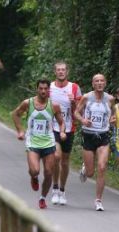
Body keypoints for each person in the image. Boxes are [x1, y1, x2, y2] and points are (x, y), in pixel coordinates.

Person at [12, 79, 66, 209]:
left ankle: (42, 198)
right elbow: (15, 114)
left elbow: (61, 122)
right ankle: (34, 177)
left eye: (45, 89)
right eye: (40, 88)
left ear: (49, 90)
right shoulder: (28, 103)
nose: (43, 91)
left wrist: (63, 132)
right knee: (35, 170)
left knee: (48, 172)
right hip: (33, 142)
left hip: (48, 142)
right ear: (37, 89)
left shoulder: (54, 106)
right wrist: (20, 131)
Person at [74, 74, 115, 211]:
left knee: (102, 167)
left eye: (102, 80)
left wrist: (112, 120)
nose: (99, 83)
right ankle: (86, 169)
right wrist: (83, 120)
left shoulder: (110, 99)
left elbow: (113, 115)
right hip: (88, 136)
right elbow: (76, 113)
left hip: (103, 136)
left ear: (105, 83)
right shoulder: (86, 97)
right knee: (91, 173)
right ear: (93, 84)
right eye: (96, 81)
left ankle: (98, 200)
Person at [49, 62, 82, 205]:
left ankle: (62, 190)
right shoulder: (49, 88)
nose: (61, 72)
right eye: (58, 70)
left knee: (65, 161)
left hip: (69, 128)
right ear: (55, 72)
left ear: (67, 72)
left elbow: (78, 112)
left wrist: (73, 102)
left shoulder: (74, 88)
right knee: (56, 157)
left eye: (63, 70)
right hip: (53, 127)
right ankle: (54, 188)